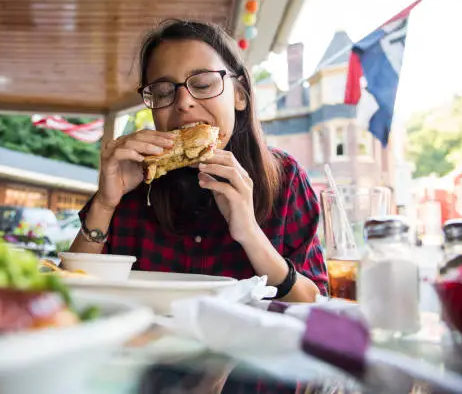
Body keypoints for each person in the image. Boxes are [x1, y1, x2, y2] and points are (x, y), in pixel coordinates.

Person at [70, 19, 328, 302]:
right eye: (163, 92)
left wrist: (251, 234)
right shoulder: (132, 182)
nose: (183, 102)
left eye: (203, 84)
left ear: (239, 96)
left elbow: (315, 302)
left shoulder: (284, 178)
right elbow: (71, 296)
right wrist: (105, 205)